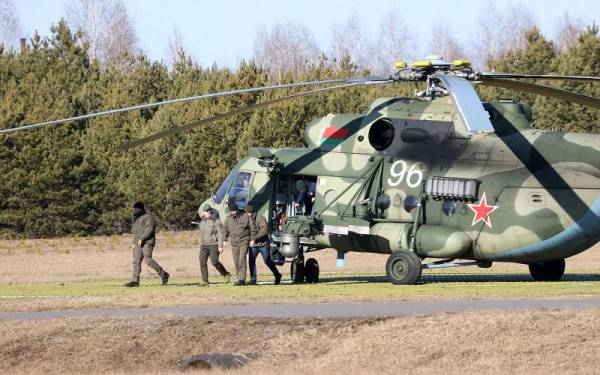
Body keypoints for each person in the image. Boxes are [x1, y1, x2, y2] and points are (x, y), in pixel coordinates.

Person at [124, 201, 169, 287]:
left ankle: (163, 274)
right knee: (136, 261)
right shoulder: (136, 218)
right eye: (134, 209)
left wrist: (142, 238)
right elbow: (136, 232)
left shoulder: (149, 217)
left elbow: (150, 229)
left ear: (141, 208)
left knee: (148, 260)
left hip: (147, 242)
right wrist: (134, 242)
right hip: (138, 243)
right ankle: (135, 281)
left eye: (136, 209)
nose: (135, 210)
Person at [245, 205, 282, 285]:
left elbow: (264, 231)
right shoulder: (246, 219)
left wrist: (254, 239)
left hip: (263, 244)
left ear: (251, 212)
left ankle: (277, 275)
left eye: (248, 213)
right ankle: (253, 279)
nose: (247, 215)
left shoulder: (260, 218)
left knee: (267, 260)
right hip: (254, 245)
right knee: (251, 261)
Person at [222, 200, 256, 286]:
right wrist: (224, 239)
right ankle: (239, 278)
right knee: (236, 261)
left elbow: (253, 228)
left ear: (237, 210)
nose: (233, 213)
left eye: (234, 211)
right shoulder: (228, 218)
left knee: (242, 260)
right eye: (231, 211)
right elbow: (224, 229)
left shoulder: (245, 216)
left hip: (244, 241)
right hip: (234, 243)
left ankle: (242, 279)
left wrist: (252, 239)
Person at [198, 204, 231, 286]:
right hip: (204, 245)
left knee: (214, 261)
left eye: (205, 211)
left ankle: (225, 274)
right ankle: (205, 281)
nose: (204, 213)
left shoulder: (216, 221)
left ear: (209, 212)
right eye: (204, 211)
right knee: (202, 261)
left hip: (214, 244)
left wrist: (220, 245)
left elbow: (220, 233)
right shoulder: (202, 221)